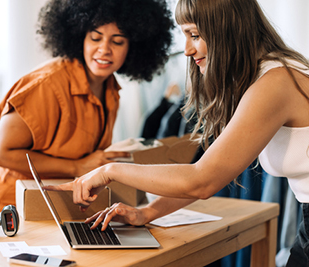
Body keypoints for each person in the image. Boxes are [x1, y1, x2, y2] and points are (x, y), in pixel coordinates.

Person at [44, 0, 309, 265]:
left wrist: (109, 171)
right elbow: (208, 172)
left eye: (194, 35)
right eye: (184, 36)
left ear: (228, 29)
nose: (186, 50)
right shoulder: (269, 75)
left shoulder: (275, 83)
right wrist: (146, 213)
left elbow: (203, 180)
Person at [0, 0, 174, 216]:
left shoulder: (110, 89)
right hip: (5, 207)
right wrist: (77, 166)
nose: (104, 49)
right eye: (95, 37)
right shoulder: (47, 84)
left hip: (49, 209)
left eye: (118, 41)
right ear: (80, 37)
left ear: (133, 47)